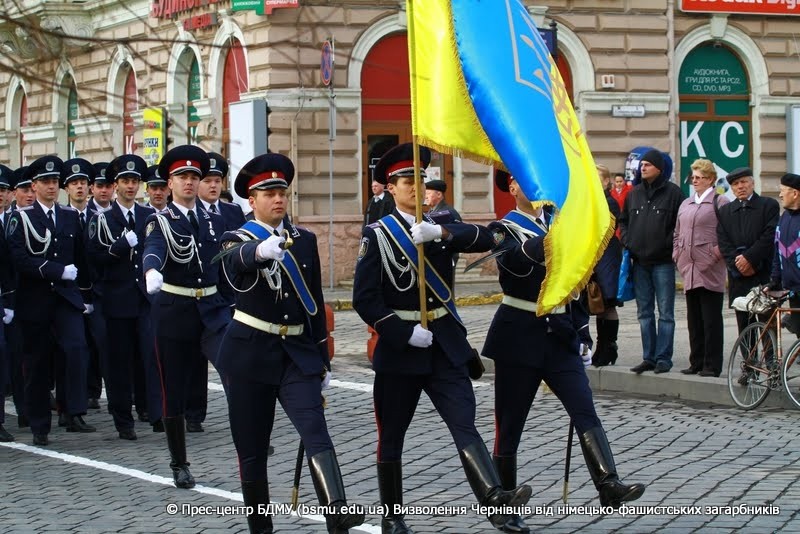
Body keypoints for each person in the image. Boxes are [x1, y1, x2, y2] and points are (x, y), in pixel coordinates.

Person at [352, 143, 532, 533]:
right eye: (405, 181)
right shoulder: (377, 236)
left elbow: (486, 238)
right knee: (393, 434)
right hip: (403, 347)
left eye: (419, 179)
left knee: (464, 421)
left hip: (444, 346)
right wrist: (400, 332)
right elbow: (364, 298)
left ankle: (495, 501)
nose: (415, 187)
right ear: (389, 188)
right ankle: (392, 516)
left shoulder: (438, 226)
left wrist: (441, 231)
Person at [483, 170, 645, 531]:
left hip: (559, 337)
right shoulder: (503, 227)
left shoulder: (555, 222)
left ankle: (608, 484)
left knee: (583, 408)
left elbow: (573, 280)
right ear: (512, 186)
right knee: (510, 425)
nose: (534, 186)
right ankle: (504, 506)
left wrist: (583, 329)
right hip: (519, 336)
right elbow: (517, 265)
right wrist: (562, 231)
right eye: (525, 180)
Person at [217, 153, 365, 534]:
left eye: (282, 191)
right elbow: (233, 264)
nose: (278, 199)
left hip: (296, 355)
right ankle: (260, 528)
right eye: (268, 193)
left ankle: (337, 511)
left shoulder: (304, 240)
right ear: (252, 201)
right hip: (249, 353)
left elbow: (312, 302)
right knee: (252, 449)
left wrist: (323, 359)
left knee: (315, 429)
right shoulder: (237, 237)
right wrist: (260, 252)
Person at [142, 145, 229, 488]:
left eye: (195, 176)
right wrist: (151, 271)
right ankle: (179, 462)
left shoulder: (215, 219)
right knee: (173, 389)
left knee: (236, 368)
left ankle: (251, 435)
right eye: (183, 177)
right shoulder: (160, 220)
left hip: (211, 310)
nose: (190, 183)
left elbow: (228, 259)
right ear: (170, 182)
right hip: (175, 311)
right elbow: (153, 249)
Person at [6, 155, 96, 445]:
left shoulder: (69, 216)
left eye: (55, 181)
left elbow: (82, 257)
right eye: (45, 182)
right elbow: (18, 258)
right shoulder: (22, 217)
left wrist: (86, 295)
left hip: (66, 298)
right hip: (35, 300)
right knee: (37, 362)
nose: (51, 186)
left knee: (76, 350)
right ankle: (39, 424)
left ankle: (73, 411)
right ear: (33, 186)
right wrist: (55, 270)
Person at [86, 154, 163, 439]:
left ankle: (153, 412)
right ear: (116, 184)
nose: (131, 186)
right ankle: (123, 420)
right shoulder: (102, 219)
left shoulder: (149, 217)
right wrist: (118, 247)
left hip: (144, 299)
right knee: (118, 362)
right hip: (116, 300)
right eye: (125, 181)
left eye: (135, 181)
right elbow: (93, 257)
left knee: (150, 357)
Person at [618, 149, 685, 374]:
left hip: (663, 262)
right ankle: (649, 357)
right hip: (639, 263)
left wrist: (666, 245)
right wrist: (628, 242)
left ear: (659, 168)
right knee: (644, 313)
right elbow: (623, 222)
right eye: (641, 164)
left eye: (647, 164)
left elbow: (680, 225)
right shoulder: (633, 193)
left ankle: (663, 358)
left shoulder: (674, 193)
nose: (642, 168)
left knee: (666, 313)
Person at [672, 159, 729, 377]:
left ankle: (712, 364)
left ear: (710, 179)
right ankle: (696, 361)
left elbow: (726, 234)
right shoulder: (686, 203)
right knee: (694, 319)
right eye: (693, 177)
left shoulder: (719, 202)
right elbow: (677, 232)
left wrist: (713, 254)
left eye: (699, 177)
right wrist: (677, 254)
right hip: (689, 267)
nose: (694, 181)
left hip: (710, 267)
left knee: (711, 319)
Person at [62, 158, 107, 413]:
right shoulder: (63, 216)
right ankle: (79, 394)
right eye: (74, 183)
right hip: (70, 292)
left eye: (83, 183)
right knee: (77, 346)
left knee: (99, 342)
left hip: (98, 291)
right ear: (66, 189)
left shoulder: (100, 217)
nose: (79, 187)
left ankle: (94, 390)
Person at [716, 167, 779, 336]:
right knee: (744, 323)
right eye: (735, 184)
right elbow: (723, 242)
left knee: (767, 322)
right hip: (739, 276)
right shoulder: (725, 211)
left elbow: (769, 236)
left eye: (743, 182)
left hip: (763, 273)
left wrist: (749, 259)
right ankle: (749, 361)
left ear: (752, 183)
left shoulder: (768, 205)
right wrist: (738, 263)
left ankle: (771, 361)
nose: (740, 187)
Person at [592, 165, 622, 367]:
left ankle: (609, 346)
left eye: (597, 178)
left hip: (608, 254)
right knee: (597, 303)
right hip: (595, 254)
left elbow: (603, 228)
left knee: (607, 302)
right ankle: (601, 346)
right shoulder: (592, 201)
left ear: (606, 181)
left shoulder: (609, 202)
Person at [771, 173, 800, 334]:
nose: (780, 194)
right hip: (793, 289)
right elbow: (778, 250)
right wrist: (775, 280)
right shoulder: (784, 217)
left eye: (783, 191)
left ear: (795, 193)